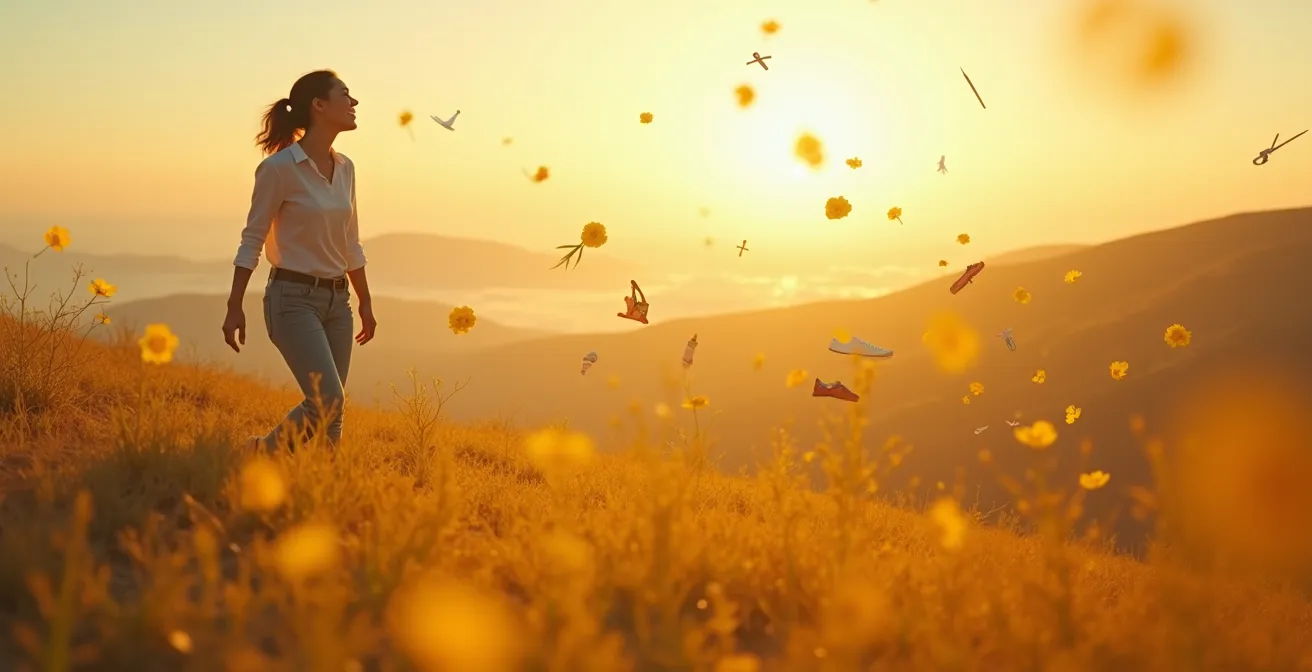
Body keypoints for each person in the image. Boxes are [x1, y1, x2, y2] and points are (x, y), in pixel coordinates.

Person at [220, 69, 378, 452]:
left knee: (331, 417)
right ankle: (260, 452)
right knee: (329, 401)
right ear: (319, 106)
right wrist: (234, 304)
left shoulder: (346, 168)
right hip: (291, 301)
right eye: (345, 94)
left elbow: (350, 242)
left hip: (337, 303)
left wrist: (365, 301)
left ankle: (327, 489)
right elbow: (252, 239)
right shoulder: (278, 169)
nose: (354, 102)